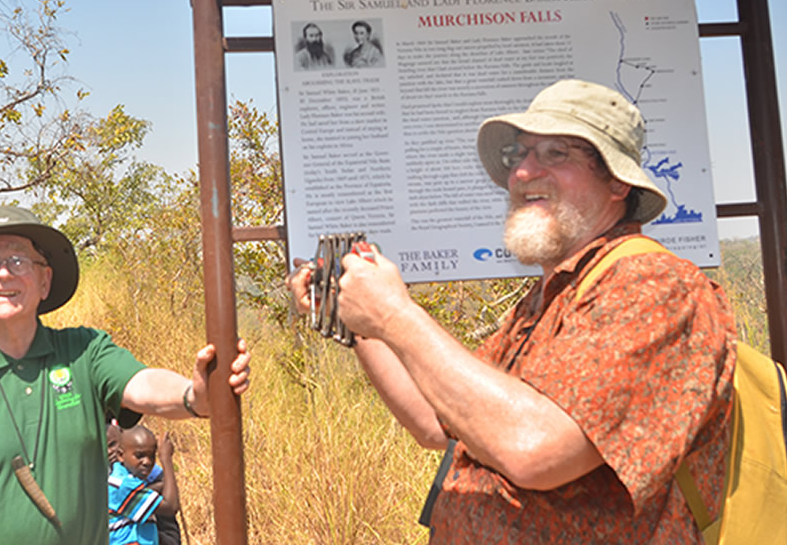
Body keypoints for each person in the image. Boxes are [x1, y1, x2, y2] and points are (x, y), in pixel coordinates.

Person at [287, 79, 736, 543]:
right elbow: (434, 419)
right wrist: (359, 320)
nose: (521, 173)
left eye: (555, 154)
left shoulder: (656, 287)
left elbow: (533, 448)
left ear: (617, 180)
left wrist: (397, 314)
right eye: (517, 156)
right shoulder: (546, 301)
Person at [0, 206, 251, 545]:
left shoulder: (84, 352)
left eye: (19, 260)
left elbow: (143, 384)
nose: (3, 272)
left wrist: (195, 395)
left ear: (45, 281)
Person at [108, 426, 178, 545]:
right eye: (140, 456)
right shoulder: (122, 485)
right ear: (120, 455)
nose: (147, 462)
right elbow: (171, 507)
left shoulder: (126, 480)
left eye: (152, 456)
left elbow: (144, 491)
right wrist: (166, 460)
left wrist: (162, 485)